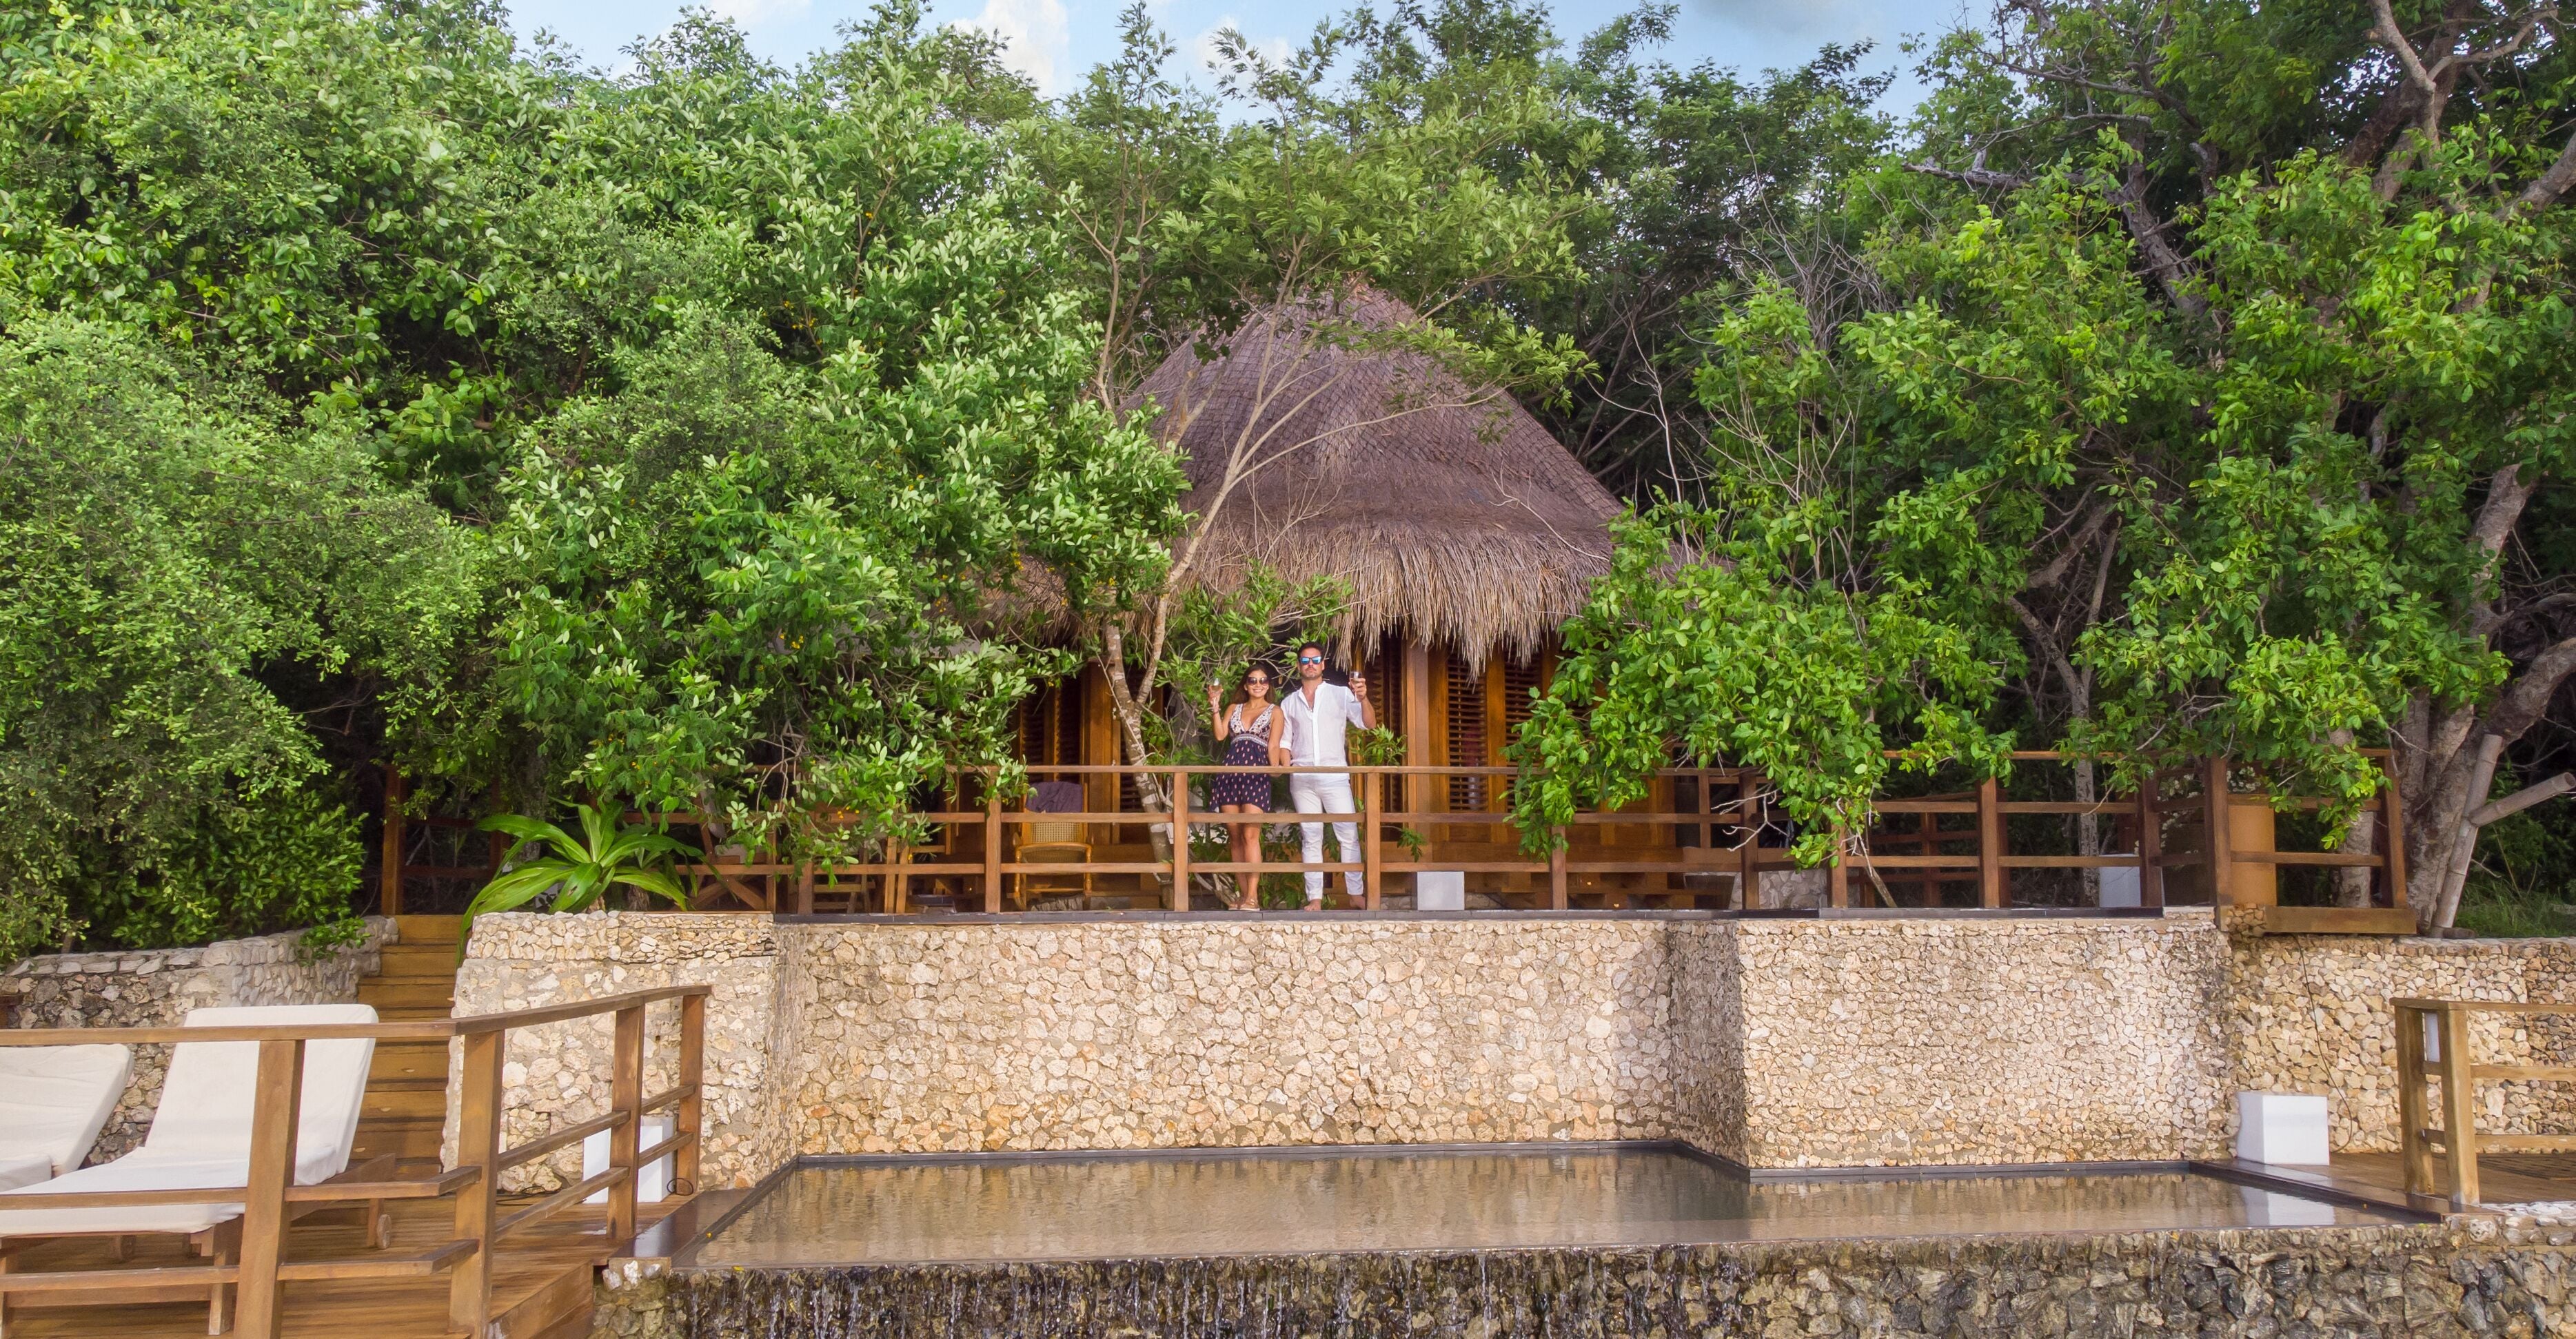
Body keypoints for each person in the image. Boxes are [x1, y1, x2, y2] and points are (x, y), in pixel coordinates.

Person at [1279, 641, 1374, 908]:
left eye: (1315, 660)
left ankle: (1355, 895)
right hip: (1303, 779)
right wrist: (1286, 770)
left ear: (1323, 664)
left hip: (1335, 776)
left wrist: (1363, 698)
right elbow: (1285, 743)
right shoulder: (1289, 703)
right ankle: (1315, 898)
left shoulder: (1341, 694)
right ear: (1299, 666)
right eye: (1305, 661)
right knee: (1311, 836)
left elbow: (1368, 724)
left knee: (1348, 834)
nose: (1310, 665)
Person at [1205, 665, 1287, 912]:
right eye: (1253, 680)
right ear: (1245, 684)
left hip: (1256, 773)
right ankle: (1243, 895)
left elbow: (1273, 745)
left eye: (1263, 680)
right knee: (1235, 836)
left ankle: (1253, 896)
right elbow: (1220, 735)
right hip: (1230, 772)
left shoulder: (1275, 711)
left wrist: (1276, 769)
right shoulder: (1234, 708)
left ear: (1269, 685)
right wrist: (1215, 706)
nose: (1258, 684)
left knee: (1251, 834)